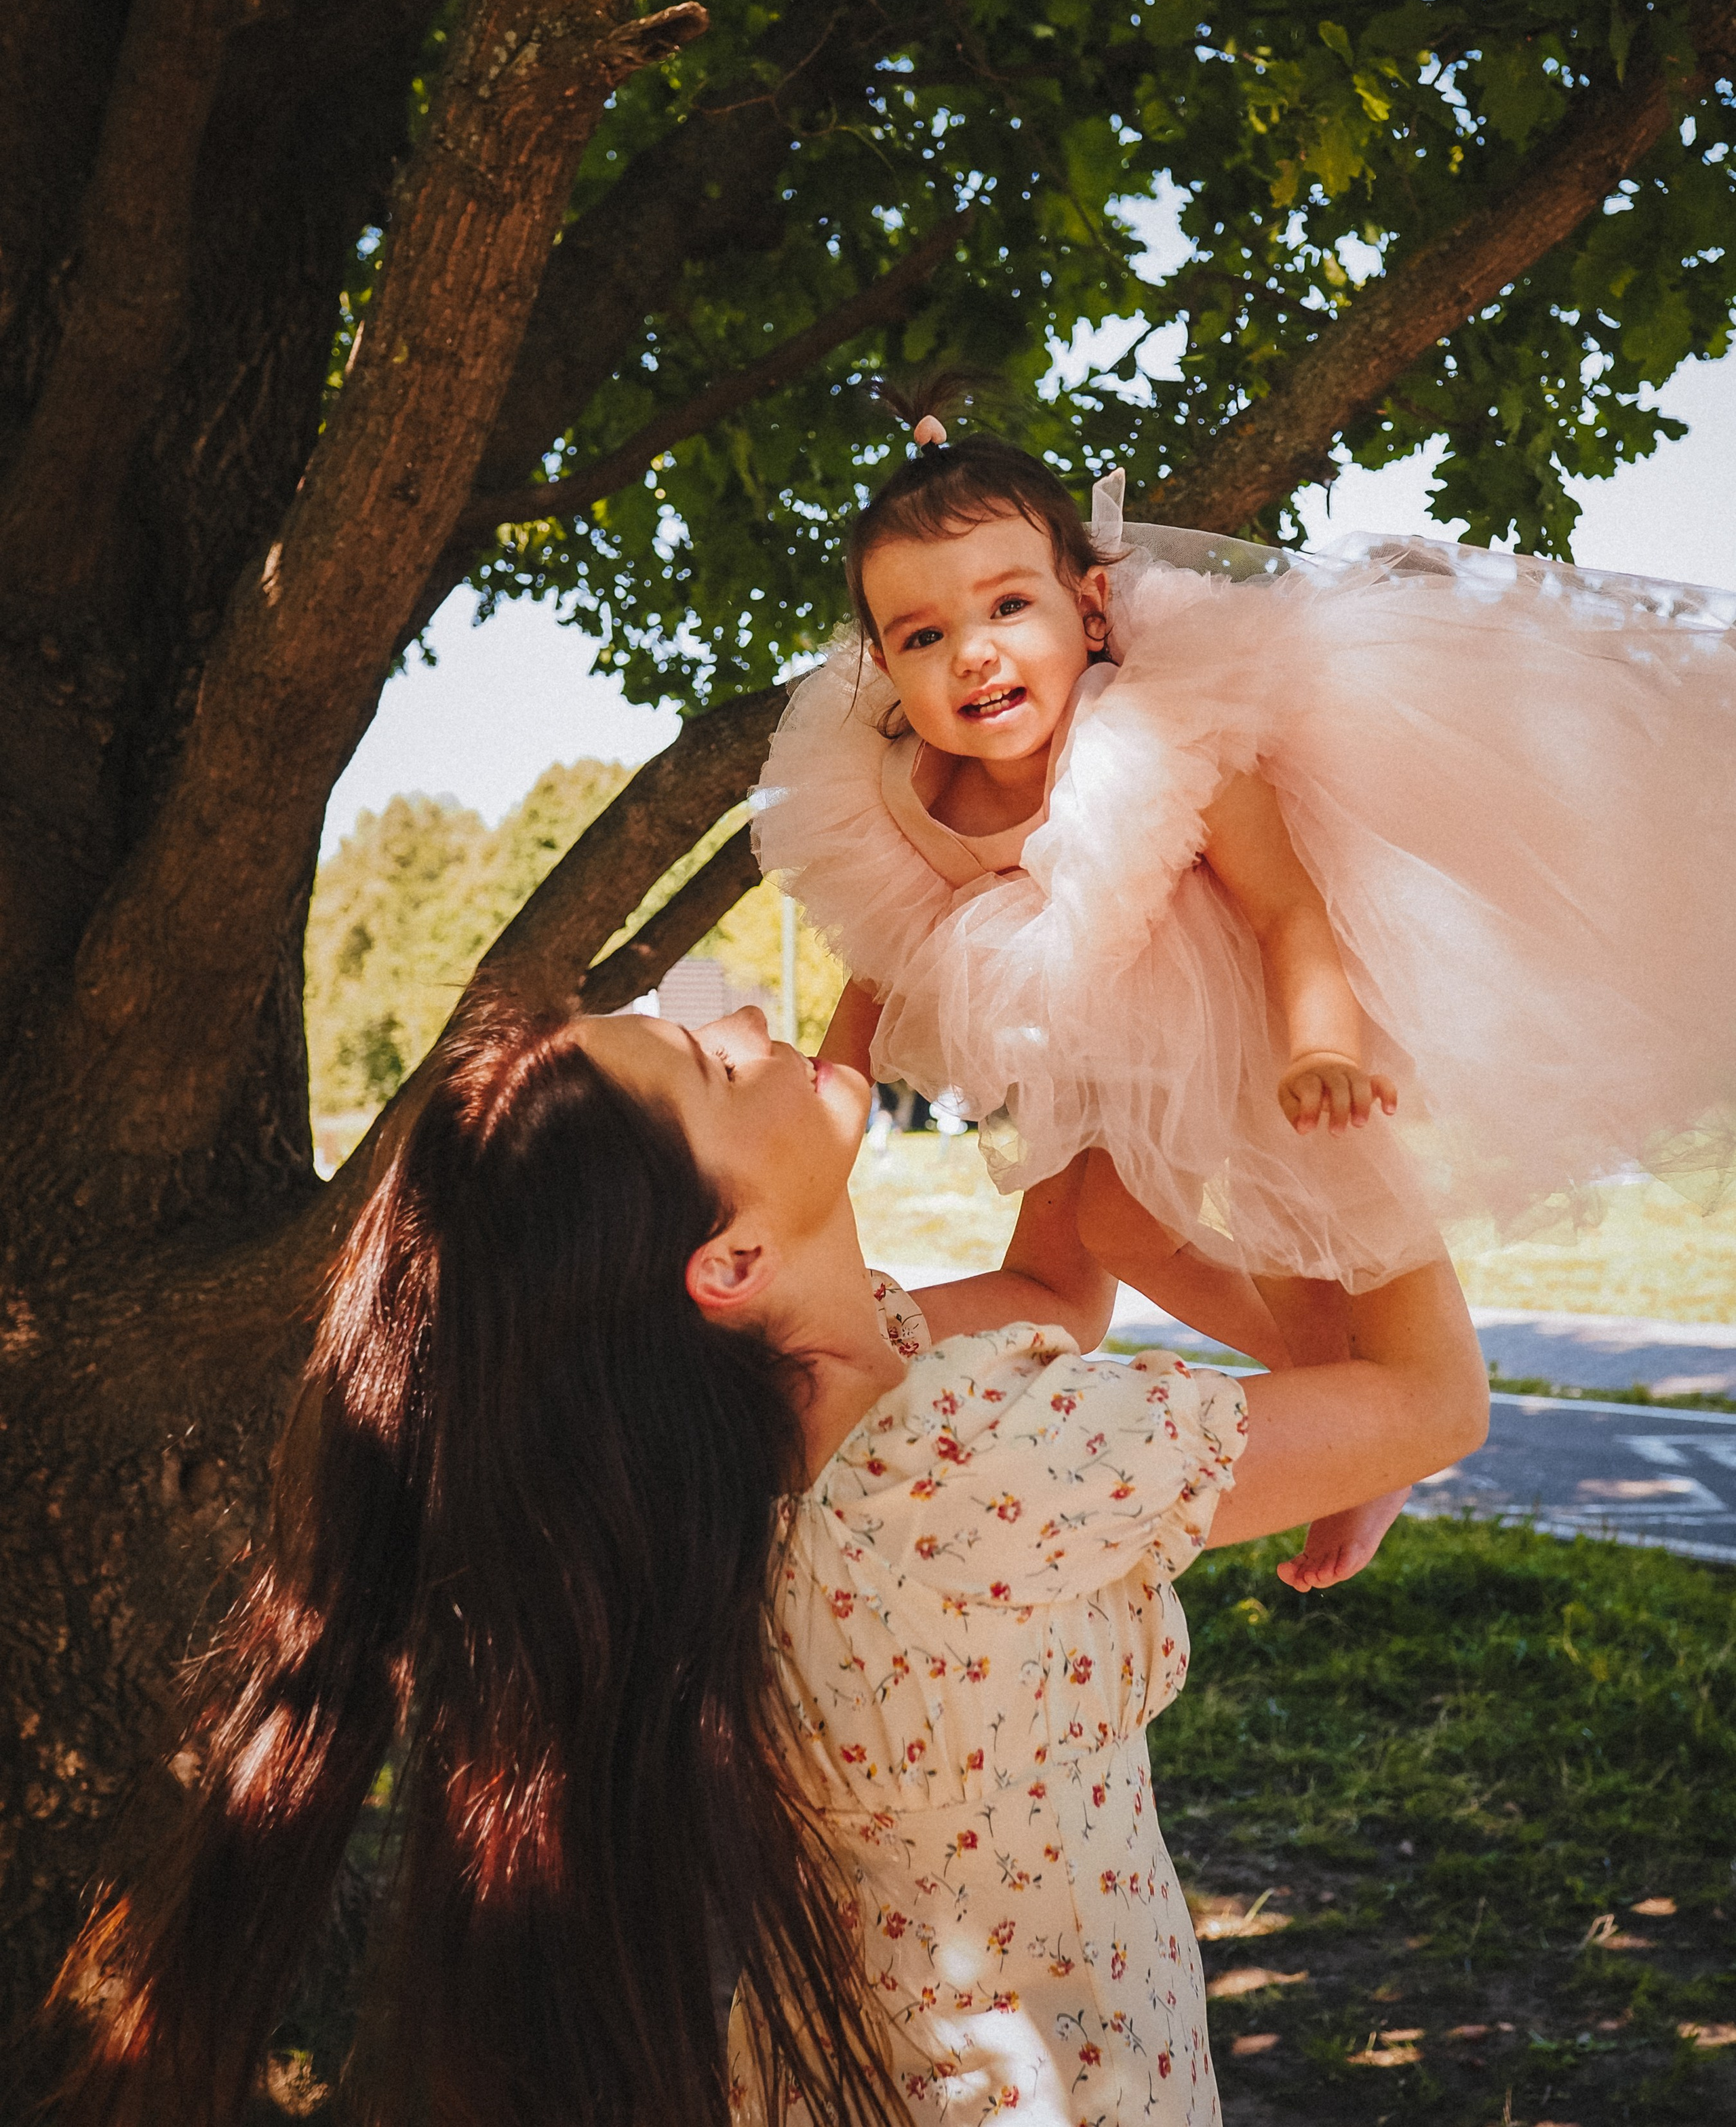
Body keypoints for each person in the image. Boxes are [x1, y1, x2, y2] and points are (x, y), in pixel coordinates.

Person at [47, 997, 1486, 2127]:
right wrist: (1323, 1080)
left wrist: (947, 943)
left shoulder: (759, 1461)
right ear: (727, 1266)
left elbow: (1067, 1265)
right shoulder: (972, 1461)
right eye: (716, 1063)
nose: (753, 1024)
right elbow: (1433, 1406)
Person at [754, 375, 1736, 1588]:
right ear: (885, 668)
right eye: (922, 636)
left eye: (1008, 603)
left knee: (1316, 1230)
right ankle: (1341, 1426)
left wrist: (1322, 1046)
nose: (974, 653)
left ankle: (1366, 1435)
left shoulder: (1169, 728)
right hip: (1113, 1042)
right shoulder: (903, 796)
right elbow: (876, 974)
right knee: (1106, 1230)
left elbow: (1284, 910)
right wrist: (812, 1127)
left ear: (1093, 606)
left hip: (1271, 1033)